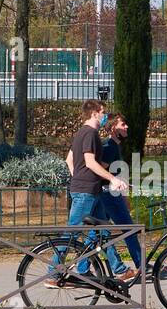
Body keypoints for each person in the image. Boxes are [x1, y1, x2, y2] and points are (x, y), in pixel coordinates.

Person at [54, 100, 133, 284]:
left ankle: (112, 268)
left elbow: (69, 160)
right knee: (71, 232)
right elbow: (90, 162)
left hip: (90, 189)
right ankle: (53, 273)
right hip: (86, 192)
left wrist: (79, 178)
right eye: (103, 112)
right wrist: (112, 179)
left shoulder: (82, 133)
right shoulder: (90, 133)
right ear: (94, 113)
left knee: (102, 230)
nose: (105, 115)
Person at [98, 115, 145, 277]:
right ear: (113, 128)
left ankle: (84, 268)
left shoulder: (112, 146)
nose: (127, 127)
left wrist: (124, 193)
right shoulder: (109, 147)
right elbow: (100, 172)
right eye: (123, 124)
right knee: (127, 228)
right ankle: (139, 265)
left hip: (107, 193)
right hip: (108, 193)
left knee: (98, 233)